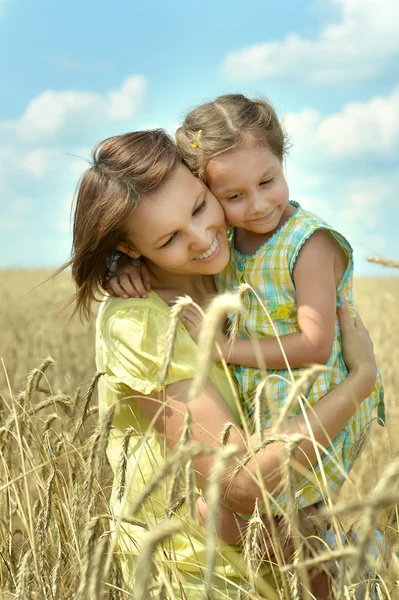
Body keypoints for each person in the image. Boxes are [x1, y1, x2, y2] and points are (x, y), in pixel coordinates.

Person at [67, 129, 379, 599]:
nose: (203, 240)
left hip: (287, 560)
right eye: (170, 237)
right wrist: (360, 382)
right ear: (131, 249)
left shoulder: (237, 270)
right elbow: (242, 484)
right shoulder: (138, 321)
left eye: (198, 207)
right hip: (204, 576)